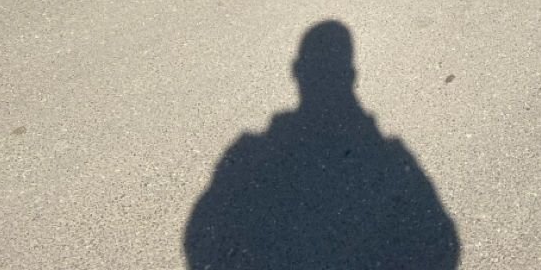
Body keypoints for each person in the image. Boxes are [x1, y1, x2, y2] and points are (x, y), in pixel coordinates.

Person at [183, 21, 460, 269]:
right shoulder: (391, 154)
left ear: (297, 71)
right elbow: (442, 241)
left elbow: (201, 233)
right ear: (352, 72)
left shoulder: (247, 153)